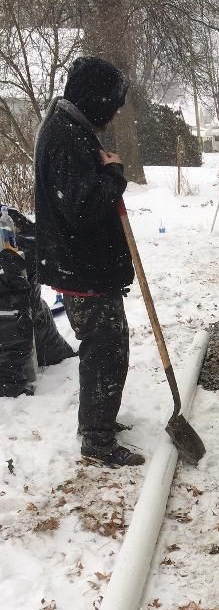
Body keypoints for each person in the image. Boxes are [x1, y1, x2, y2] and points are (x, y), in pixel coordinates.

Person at [34, 56, 144, 467]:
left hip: (84, 266)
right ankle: (97, 440)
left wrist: (104, 171)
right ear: (94, 98)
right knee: (106, 350)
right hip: (83, 270)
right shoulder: (67, 137)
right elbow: (80, 207)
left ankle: (96, 423)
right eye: (112, 103)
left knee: (105, 348)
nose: (115, 112)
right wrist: (115, 176)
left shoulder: (71, 129)